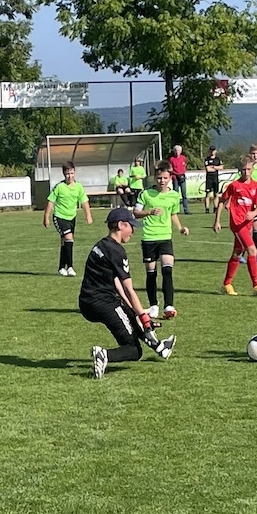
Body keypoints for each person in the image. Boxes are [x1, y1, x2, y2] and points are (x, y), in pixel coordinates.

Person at [81, 207, 175, 379]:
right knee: (133, 350)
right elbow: (128, 289)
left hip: (88, 302)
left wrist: (135, 312)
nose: (133, 231)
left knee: (131, 315)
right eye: (131, 226)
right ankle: (104, 355)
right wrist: (144, 318)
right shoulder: (117, 251)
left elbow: (117, 284)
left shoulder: (101, 245)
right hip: (103, 303)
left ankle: (160, 347)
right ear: (120, 225)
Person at [134, 164, 189, 318]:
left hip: (165, 238)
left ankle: (169, 306)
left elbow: (173, 214)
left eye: (165, 178)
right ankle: (153, 305)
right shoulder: (146, 194)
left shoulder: (174, 196)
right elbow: (136, 213)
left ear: (170, 178)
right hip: (149, 238)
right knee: (151, 273)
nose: (162, 181)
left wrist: (180, 228)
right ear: (154, 177)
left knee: (167, 270)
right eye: (159, 178)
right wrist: (149, 212)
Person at [212, 157, 257, 296]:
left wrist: (253, 213)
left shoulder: (256, 186)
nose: (246, 172)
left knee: (237, 252)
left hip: (247, 224)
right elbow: (222, 201)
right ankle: (256, 285)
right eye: (243, 170)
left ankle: (227, 284)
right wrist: (217, 221)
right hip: (237, 223)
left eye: (248, 169)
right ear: (239, 170)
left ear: (252, 169)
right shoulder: (234, 185)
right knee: (252, 250)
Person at [43, 161, 93, 276]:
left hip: (72, 217)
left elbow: (84, 201)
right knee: (69, 238)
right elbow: (50, 202)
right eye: (67, 174)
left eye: (71, 173)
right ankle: (70, 267)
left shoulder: (78, 187)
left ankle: (61, 268)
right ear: (64, 174)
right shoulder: (59, 187)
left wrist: (88, 215)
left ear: (74, 173)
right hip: (59, 217)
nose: (70, 176)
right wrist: (46, 217)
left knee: (65, 242)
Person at [168, 144, 190, 214]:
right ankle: (175, 209)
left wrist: (183, 173)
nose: (177, 152)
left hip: (182, 177)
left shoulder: (183, 158)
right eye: (176, 150)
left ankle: (186, 210)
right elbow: (170, 168)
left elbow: (185, 165)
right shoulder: (172, 159)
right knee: (175, 194)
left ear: (180, 151)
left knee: (184, 194)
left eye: (178, 150)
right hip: (175, 177)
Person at [203, 146, 222, 214]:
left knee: (216, 194)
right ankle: (207, 208)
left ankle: (215, 208)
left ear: (215, 151)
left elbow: (221, 167)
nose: (212, 152)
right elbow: (208, 169)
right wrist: (216, 168)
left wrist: (213, 167)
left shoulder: (218, 159)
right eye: (211, 150)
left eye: (213, 150)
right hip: (209, 178)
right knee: (208, 194)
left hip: (215, 178)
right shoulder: (207, 159)